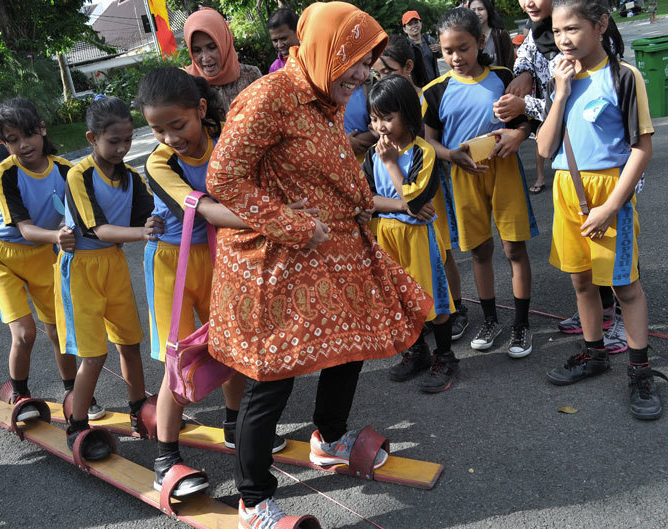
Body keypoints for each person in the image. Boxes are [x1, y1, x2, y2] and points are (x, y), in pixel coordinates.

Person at [206, 3, 433, 526]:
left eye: (367, 62)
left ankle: (329, 439)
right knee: (274, 376)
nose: (363, 74)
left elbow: (329, 174)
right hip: (275, 261)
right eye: (355, 60)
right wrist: (290, 223)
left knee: (348, 347)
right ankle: (253, 500)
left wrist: (381, 203)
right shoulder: (268, 97)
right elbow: (222, 179)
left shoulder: (325, 97)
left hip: (332, 256)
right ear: (324, 50)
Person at [136, 67, 287, 495]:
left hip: (225, 255)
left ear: (201, 109)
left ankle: (235, 424)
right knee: (178, 361)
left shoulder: (228, 138)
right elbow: (204, 210)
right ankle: (166, 459)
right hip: (174, 263)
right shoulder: (159, 162)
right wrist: (275, 219)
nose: (170, 138)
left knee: (232, 347)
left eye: (178, 125)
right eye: (158, 130)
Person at [537, 0, 666, 420]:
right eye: (557, 31)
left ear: (600, 24)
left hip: (610, 194)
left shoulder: (623, 76)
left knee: (626, 287)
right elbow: (544, 148)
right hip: (566, 190)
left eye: (572, 28)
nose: (563, 39)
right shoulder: (561, 78)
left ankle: (640, 371)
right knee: (581, 282)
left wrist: (611, 206)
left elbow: (641, 148)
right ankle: (594, 354)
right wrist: (560, 93)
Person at [500, 0, 627, 351]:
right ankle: (600, 320)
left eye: (569, 29)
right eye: (558, 32)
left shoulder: (598, 46)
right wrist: (525, 76)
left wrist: (525, 107)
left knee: (616, 262)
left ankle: (621, 322)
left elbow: (587, 102)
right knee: (584, 266)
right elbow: (549, 92)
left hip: (607, 172)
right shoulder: (537, 35)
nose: (529, 2)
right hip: (569, 166)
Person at [423, 8, 538, 359]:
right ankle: (490, 320)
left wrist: (519, 135)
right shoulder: (435, 91)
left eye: (464, 48)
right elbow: (428, 142)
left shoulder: (503, 78)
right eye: (448, 51)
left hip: (504, 170)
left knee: (514, 249)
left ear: (480, 41)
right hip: (462, 175)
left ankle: (521, 324)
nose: (456, 57)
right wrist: (450, 155)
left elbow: (525, 120)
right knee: (479, 251)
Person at [0, 98, 99, 422]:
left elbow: (85, 214)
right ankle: (20, 393)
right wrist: (58, 236)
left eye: (29, 134)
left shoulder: (65, 170)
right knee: (24, 333)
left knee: (59, 331)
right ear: (4, 143)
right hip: (2, 256)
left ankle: (74, 392)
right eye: (13, 139)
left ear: (42, 130)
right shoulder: (4, 174)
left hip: (44, 254)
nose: (23, 145)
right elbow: (25, 229)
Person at [55, 96, 153, 458]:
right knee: (94, 355)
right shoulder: (79, 175)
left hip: (113, 264)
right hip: (81, 268)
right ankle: (77, 425)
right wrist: (144, 233)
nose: (122, 148)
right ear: (92, 138)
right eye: (114, 141)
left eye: (128, 140)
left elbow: (151, 214)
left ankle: (138, 409)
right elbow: (97, 229)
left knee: (130, 342)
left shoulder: (132, 177)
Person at [363, 74, 459, 392]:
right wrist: (402, 206)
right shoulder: (371, 155)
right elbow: (366, 199)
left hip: (417, 237)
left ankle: (445, 357)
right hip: (385, 235)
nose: (380, 127)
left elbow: (417, 200)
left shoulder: (422, 152)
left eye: (387, 117)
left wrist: (391, 164)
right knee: (400, 298)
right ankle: (417, 351)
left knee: (433, 298)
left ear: (407, 113)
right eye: (374, 118)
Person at [374, 36, 469, 341]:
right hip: (396, 209)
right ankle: (422, 327)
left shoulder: (425, 98)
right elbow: (368, 196)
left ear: (408, 67)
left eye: (388, 71)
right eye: (377, 74)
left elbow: (429, 145)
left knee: (441, 253)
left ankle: (454, 309)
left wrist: (407, 196)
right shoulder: (382, 115)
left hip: (427, 192)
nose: (381, 78)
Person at [183, 8, 262, 116]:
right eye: (197, 50)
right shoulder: (187, 84)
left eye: (212, 47)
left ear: (224, 43)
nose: (205, 58)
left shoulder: (251, 76)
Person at [469, 0, 515, 68]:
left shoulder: (500, 34)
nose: (477, 13)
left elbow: (510, 62)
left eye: (480, 9)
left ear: (488, 10)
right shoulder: (467, 36)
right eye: (473, 10)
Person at [402, 10, 441, 82]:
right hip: (418, 86)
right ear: (404, 29)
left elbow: (439, 55)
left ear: (421, 23)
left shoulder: (429, 40)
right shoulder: (405, 46)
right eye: (410, 24)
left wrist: (439, 49)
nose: (414, 26)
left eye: (416, 22)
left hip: (435, 83)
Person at [267, 8, 300, 73]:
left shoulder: (313, 55)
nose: (280, 45)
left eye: (283, 38)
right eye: (275, 41)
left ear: (298, 32)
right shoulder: (275, 69)